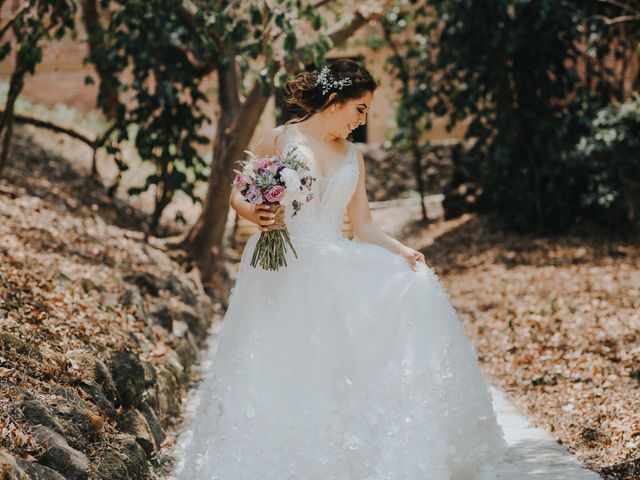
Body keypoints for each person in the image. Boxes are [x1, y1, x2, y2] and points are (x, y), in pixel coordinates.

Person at [174, 59, 507, 480]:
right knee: (277, 365)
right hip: (280, 270)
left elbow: (363, 223)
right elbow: (238, 194)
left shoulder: (354, 156)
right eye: (360, 109)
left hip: (333, 272)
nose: (362, 120)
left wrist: (402, 250)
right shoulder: (280, 139)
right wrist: (255, 214)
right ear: (334, 101)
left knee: (333, 372)